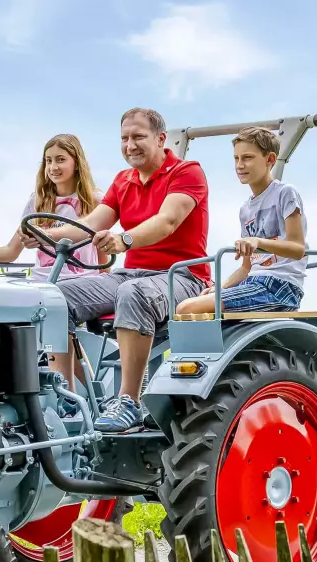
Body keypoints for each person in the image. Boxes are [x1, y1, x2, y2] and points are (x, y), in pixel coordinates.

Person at [30, 107, 211, 433]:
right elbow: (88, 225)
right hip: (133, 273)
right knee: (55, 297)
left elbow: (166, 222)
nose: (130, 145)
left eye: (138, 137)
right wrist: (44, 235)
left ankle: (129, 400)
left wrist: (125, 239)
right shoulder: (123, 180)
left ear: (160, 139)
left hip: (182, 277)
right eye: (125, 138)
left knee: (133, 293)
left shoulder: (186, 172)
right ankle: (66, 399)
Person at [176, 126, 307, 316]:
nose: (239, 165)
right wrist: (220, 287)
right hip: (253, 282)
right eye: (236, 158)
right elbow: (246, 268)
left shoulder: (285, 193)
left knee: (186, 308)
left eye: (247, 158)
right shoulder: (246, 210)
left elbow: (297, 248)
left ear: (270, 159)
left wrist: (258, 242)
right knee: (192, 301)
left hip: (280, 285)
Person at [0, 134, 108, 280]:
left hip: (81, 281)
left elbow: (102, 256)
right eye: (48, 161)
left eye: (60, 160)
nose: (53, 167)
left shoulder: (94, 200)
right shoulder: (37, 201)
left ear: (76, 163)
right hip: (42, 282)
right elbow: (11, 251)